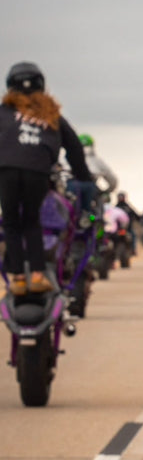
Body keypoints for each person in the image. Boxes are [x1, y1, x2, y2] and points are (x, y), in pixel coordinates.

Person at [0, 62, 91, 295]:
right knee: (32, 221)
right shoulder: (52, 115)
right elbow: (75, 148)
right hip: (38, 171)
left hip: (7, 169)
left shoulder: (4, 112)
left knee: (11, 223)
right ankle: (38, 275)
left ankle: (18, 278)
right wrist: (84, 177)